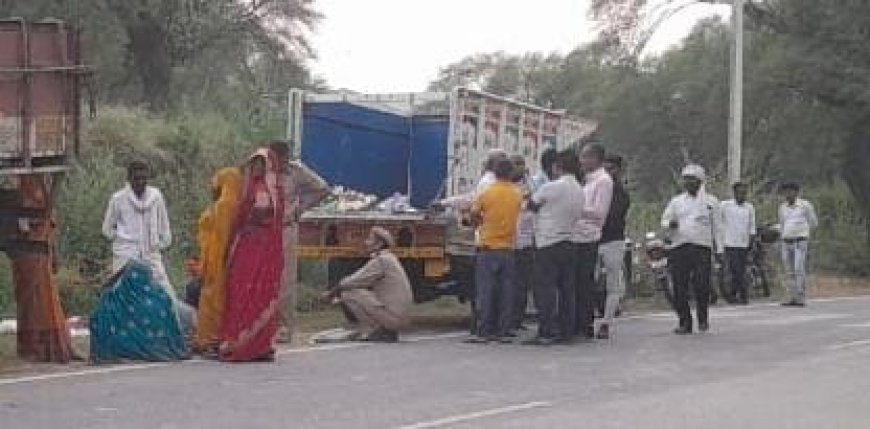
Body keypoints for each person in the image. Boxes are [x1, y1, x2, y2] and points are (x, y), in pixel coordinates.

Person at [219, 149, 285, 362]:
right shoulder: (248, 189)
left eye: (260, 164)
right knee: (239, 290)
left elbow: (274, 221)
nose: (256, 168)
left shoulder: (275, 190)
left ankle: (261, 346)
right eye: (253, 164)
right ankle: (236, 341)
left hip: (265, 251)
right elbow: (239, 218)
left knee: (262, 294)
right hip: (246, 247)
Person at [2, 174, 76, 363]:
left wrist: (53, 252)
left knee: (46, 300)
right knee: (32, 302)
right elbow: (25, 223)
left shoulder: (40, 186)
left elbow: (48, 221)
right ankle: (35, 348)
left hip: (40, 251)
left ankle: (51, 346)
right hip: (28, 255)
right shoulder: (24, 188)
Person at [269, 141, 331, 344]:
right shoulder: (266, 170)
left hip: (286, 228)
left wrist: (301, 208)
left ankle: (285, 328)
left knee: (285, 279)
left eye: (279, 159)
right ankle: (266, 325)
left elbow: (322, 189)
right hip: (265, 230)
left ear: (285, 158)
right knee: (266, 277)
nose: (276, 162)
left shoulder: (296, 172)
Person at [523, 150, 584, 345]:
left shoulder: (552, 187)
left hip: (548, 242)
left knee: (546, 290)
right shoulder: (579, 190)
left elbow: (531, 206)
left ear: (557, 167)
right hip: (569, 241)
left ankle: (546, 331)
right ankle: (566, 331)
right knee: (567, 290)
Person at [465, 158, 523, 343]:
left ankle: (484, 330)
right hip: (508, 248)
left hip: (488, 247)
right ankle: (504, 330)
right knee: (506, 293)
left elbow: (473, 215)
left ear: (495, 172)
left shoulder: (487, 193)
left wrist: (479, 223)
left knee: (485, 292)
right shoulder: (517, 194)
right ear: (511, 173)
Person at [661, 164, 724, 335]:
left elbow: (717, 227)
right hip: (679, 246)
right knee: (679, 286)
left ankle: (703, 318)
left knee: (702, 284)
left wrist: (720, 249)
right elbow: (665, 221)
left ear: (700, 181)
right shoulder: (677, 201)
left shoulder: (711, 202)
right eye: (686, 179)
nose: (688, 183)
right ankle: (684, 322)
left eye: (692, 179)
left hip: (702, 247)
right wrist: (670, 225)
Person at [321, 227, 413, 342]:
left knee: (348, 293)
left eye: (369, 239)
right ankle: (384, 330)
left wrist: (331, 293)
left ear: (379, 244)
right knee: (356, 291)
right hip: (399, 317)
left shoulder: (381, 260)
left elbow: (353, 281)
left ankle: (375, 329)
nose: (366, 243)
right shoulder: (390, 258)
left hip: (393, 318)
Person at [90, 260, 191, 364]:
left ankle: (127, 351)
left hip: (118, 348)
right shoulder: (161, 297)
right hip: (160, 347)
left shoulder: (113, 302)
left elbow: (97, 319)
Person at [194, 167, 243, 354]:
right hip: (222, 261)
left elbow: (220, 238)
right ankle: (214, 339)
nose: (212, 188)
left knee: (212, 301)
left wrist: (211, 262)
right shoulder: (236, 205)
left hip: (217, 262)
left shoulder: (224, 206)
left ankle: (209, 341)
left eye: (216, 184)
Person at [102, 162, 173, 287]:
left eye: (144, 178)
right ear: (129, 179)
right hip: (125, 257)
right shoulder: (118, 199)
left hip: (151, 255)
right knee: (125, 294)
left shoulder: (156, 197)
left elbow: (164, 226)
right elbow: (107, 229)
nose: (140, 182)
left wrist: (158, 245)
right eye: (136, 178)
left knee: (162, 292)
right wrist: (123, 241)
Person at [575, 143, 614, 339]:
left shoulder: (603, 181)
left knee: (584, 282)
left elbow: (599, 213)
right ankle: (577, 321)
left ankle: (585, 323)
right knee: (575, 282)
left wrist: (575, 209)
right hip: (576, 235)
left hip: (588, 237)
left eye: (585, 157)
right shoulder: (586, 180)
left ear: (596, 159)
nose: (581, 161)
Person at [597, 154, 631, 339]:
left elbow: (612, 218)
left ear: (619, 170)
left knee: (613, 285)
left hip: (613, 241)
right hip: (595, 240)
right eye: (606, 169)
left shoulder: (620, 194)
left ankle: (606, 323)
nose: (608, 173)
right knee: (589, 282)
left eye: (612, 169)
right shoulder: (597, 188)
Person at [778, 181, 818, 307]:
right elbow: (782, 224)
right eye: (785, 191)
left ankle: (800, 296)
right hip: (786, 241)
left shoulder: (804, 205)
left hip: (799, 241)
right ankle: (791, 296)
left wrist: (804, 233)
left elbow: (813, 222)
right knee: (788, 271)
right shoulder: (782, 207)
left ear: (796, 192)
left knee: (798, 269)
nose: (787, 194)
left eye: (790, 191)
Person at [510, 154, 535, 333]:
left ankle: (517, 319)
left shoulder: (530, 186)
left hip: (525, 242)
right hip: (509, 242)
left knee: (522, 284)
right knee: (510, 284)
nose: (518, 168)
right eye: (514, 165)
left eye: (520, 165)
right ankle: (509, 319)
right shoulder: (505, 187)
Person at [721, 181, 756, 305]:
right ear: (734, 193)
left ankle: (734, 294)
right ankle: (742, 294)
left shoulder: (749, 207)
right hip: (729, 242)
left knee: (740, 270)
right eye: (740, 193)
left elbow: (752, 226)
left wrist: (751, 240)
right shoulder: (725, 205)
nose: (742, 195)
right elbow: (717, 221)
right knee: (735, 269)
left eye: (744, 193)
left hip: (744, 243)